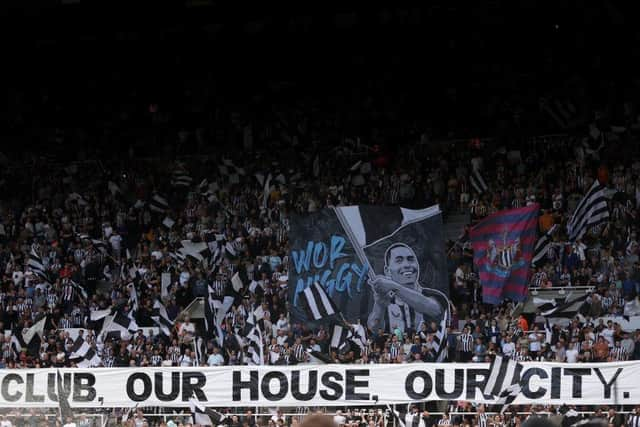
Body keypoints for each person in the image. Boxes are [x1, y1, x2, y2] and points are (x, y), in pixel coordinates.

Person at [367, 243, 450, 361]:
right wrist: (379, 306)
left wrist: (393, 286)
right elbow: (373, 329)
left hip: (431, 358)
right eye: (399, 260)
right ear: (387, 270)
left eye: (410, 260)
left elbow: (433, 309)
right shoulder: (386, 300)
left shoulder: (434, 295)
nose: (407, 265)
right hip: (395, 358)